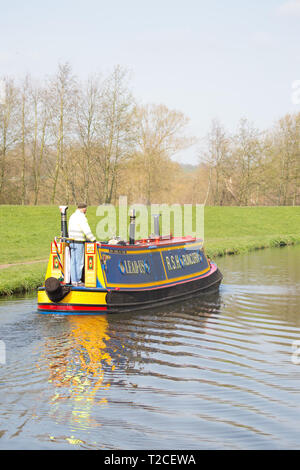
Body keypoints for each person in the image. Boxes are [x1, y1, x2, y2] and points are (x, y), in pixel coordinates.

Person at [68, 203, 96, 286]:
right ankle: (78, 281)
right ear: (84, 209)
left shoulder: (72, 216)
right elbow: (86, 229)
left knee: (73, 261)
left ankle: (73, 280)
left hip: (72, 241)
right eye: (86, 209)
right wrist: (93, 239)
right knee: (80, 262)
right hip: (79, 241)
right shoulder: (81, 217)